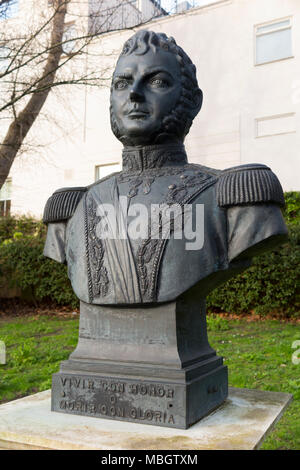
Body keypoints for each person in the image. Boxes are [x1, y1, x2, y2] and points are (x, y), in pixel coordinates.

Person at [43, 30, 287, 305]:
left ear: (193, 101)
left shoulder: (237, 198)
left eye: (157, 81)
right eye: (122, 83)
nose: (134, 93)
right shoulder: (73, 207)